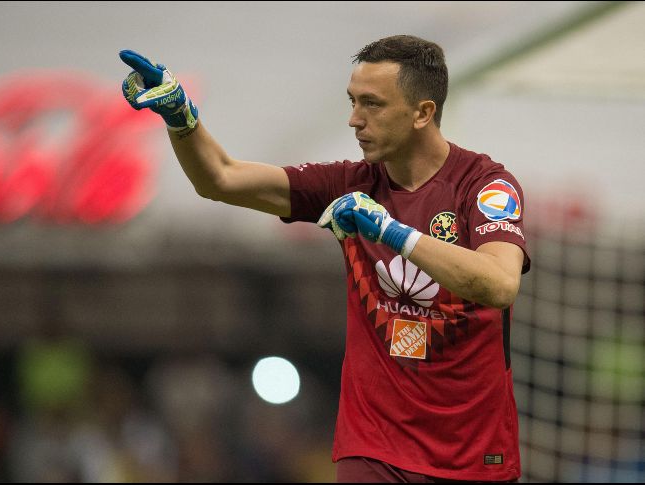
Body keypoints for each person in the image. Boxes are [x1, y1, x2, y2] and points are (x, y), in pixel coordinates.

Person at [118, 35, 530, 483]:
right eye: (353, 101)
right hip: (375, 448)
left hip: (473, 452)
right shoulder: (348, 184)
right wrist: (182, 120)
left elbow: (499, 283)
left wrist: (390, 231)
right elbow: (221, 178)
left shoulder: (484, 185)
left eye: (372, 104)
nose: (355, 119)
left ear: (423, 113)